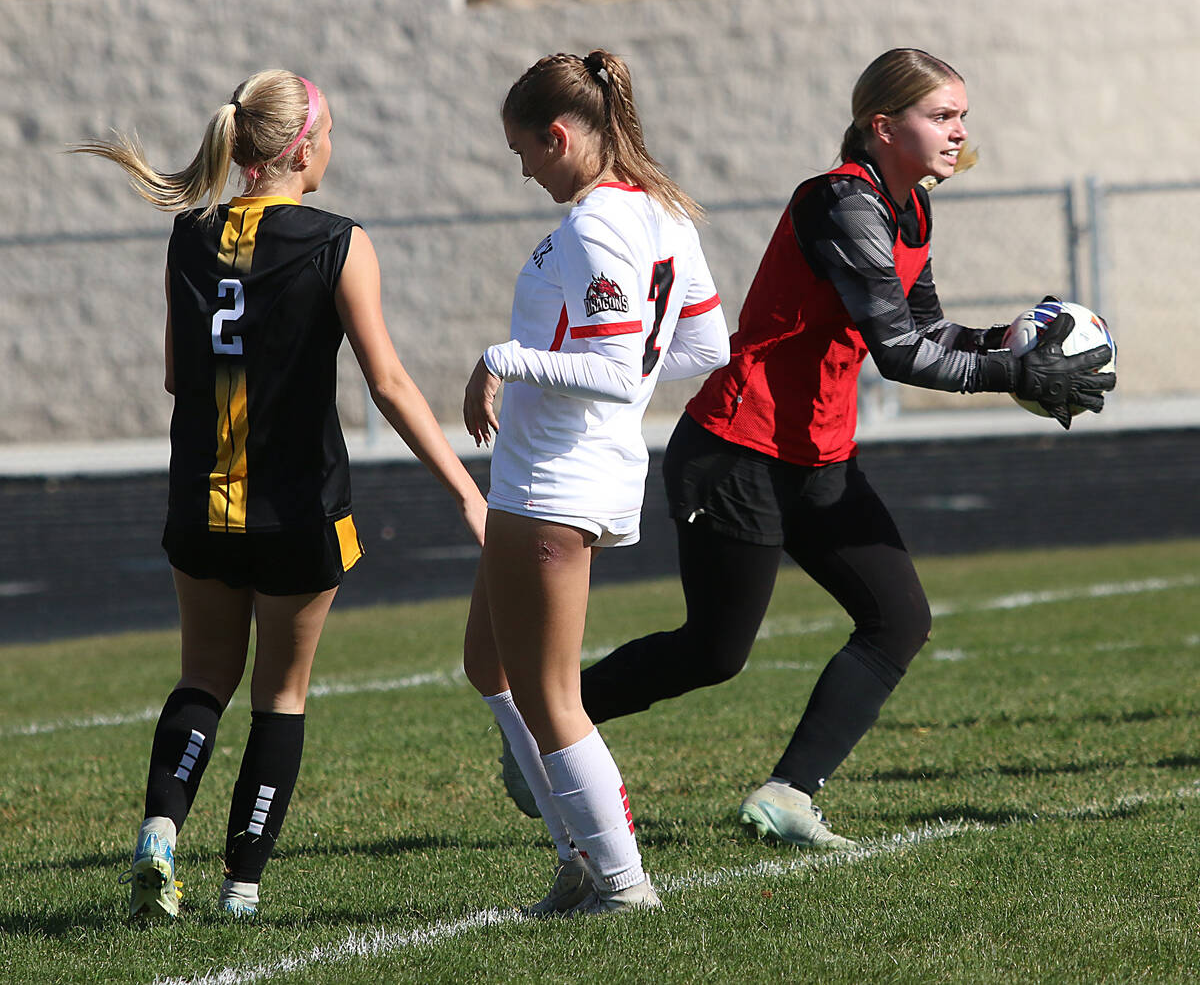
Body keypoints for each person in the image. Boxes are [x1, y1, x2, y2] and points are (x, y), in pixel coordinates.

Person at [497, 47, 1116, 849]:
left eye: (962, 116)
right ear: (882, 125)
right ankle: (545, 728)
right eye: (943, 116)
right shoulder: (840, 204)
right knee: (713, 653)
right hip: (738, 450)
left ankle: (788, 794)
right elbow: (898, 352)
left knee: (898, 618)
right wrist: (1013, 370)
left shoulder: (911, 208)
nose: (960, 131)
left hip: (819, 452)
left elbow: (924, 330)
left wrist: (1009, 341)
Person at [72, 69, 488, 920]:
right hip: (299, 510)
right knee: (281, 694)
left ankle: (159, 833)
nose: (332, 146)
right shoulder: (339, 240)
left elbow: (175, 375)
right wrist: (463, 490)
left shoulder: (189, 235)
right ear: (301, 148)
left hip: (202, 501)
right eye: (328, 131)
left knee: (202, 676)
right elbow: (391, 383)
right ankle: (240, 891)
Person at [461, 49, 729, 915]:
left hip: (557, 476)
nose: (524, 168)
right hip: (557, 469)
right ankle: (580, 856)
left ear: (561, 133)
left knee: (550, 691)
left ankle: (620, 882)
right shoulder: (662, 212)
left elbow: (618, 370)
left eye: (525, 150)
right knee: (488, 663)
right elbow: (701, 348)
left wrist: (502, 360)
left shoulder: (596, 223)